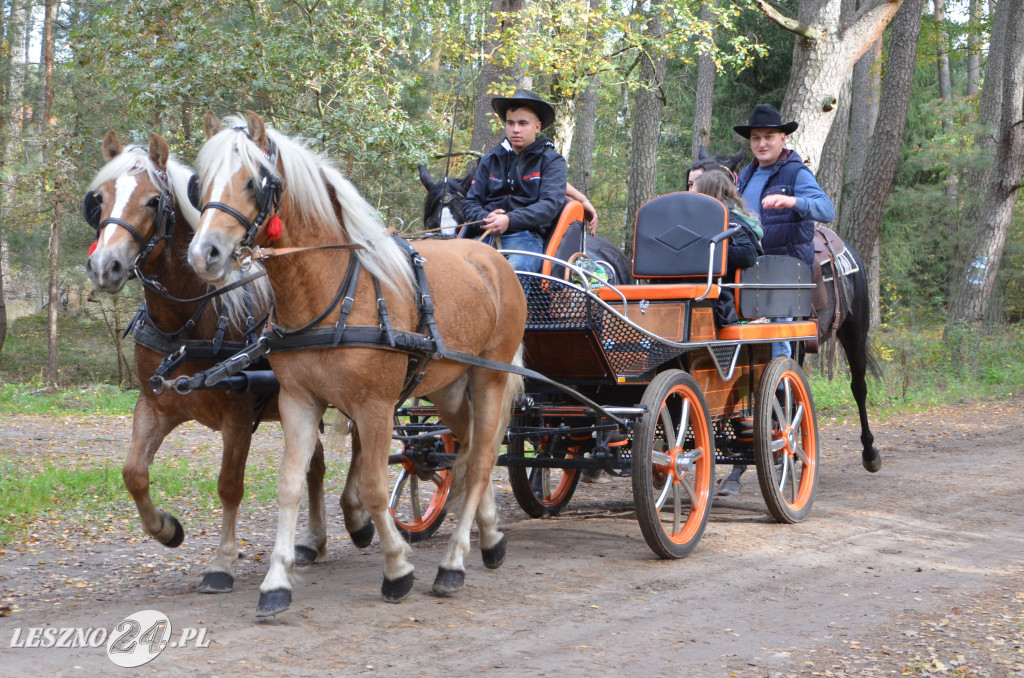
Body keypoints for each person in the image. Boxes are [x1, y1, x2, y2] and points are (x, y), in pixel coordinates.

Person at [733, 103, 834, 359]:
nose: (762, 143)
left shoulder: (796, 172)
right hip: (748, 265)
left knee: (777, 327)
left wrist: (793, 202)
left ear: (782, 138)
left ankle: (782, 384)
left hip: (784, 266)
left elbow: (826, 210)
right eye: (756, 138)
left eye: (769, 137)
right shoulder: (745, 175)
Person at [462, 89, 568, 273]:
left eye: (522, 123)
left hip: (527, 238)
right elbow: (470, 202)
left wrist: (509, 220)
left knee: (516, 270)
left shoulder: (551, 161)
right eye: (510, 123)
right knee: (453, 269)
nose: (515, 129)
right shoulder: (490, 159)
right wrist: (485, 219)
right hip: (483, 236)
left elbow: (550, 205)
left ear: (537, 127)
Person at [690, 168, 763, 327]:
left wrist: (707, 251)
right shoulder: (696, 220)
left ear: (707, 194)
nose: (689, 193)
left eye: (693, 189)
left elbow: (748, 254)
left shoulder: (729, 219)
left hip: (722, 293)